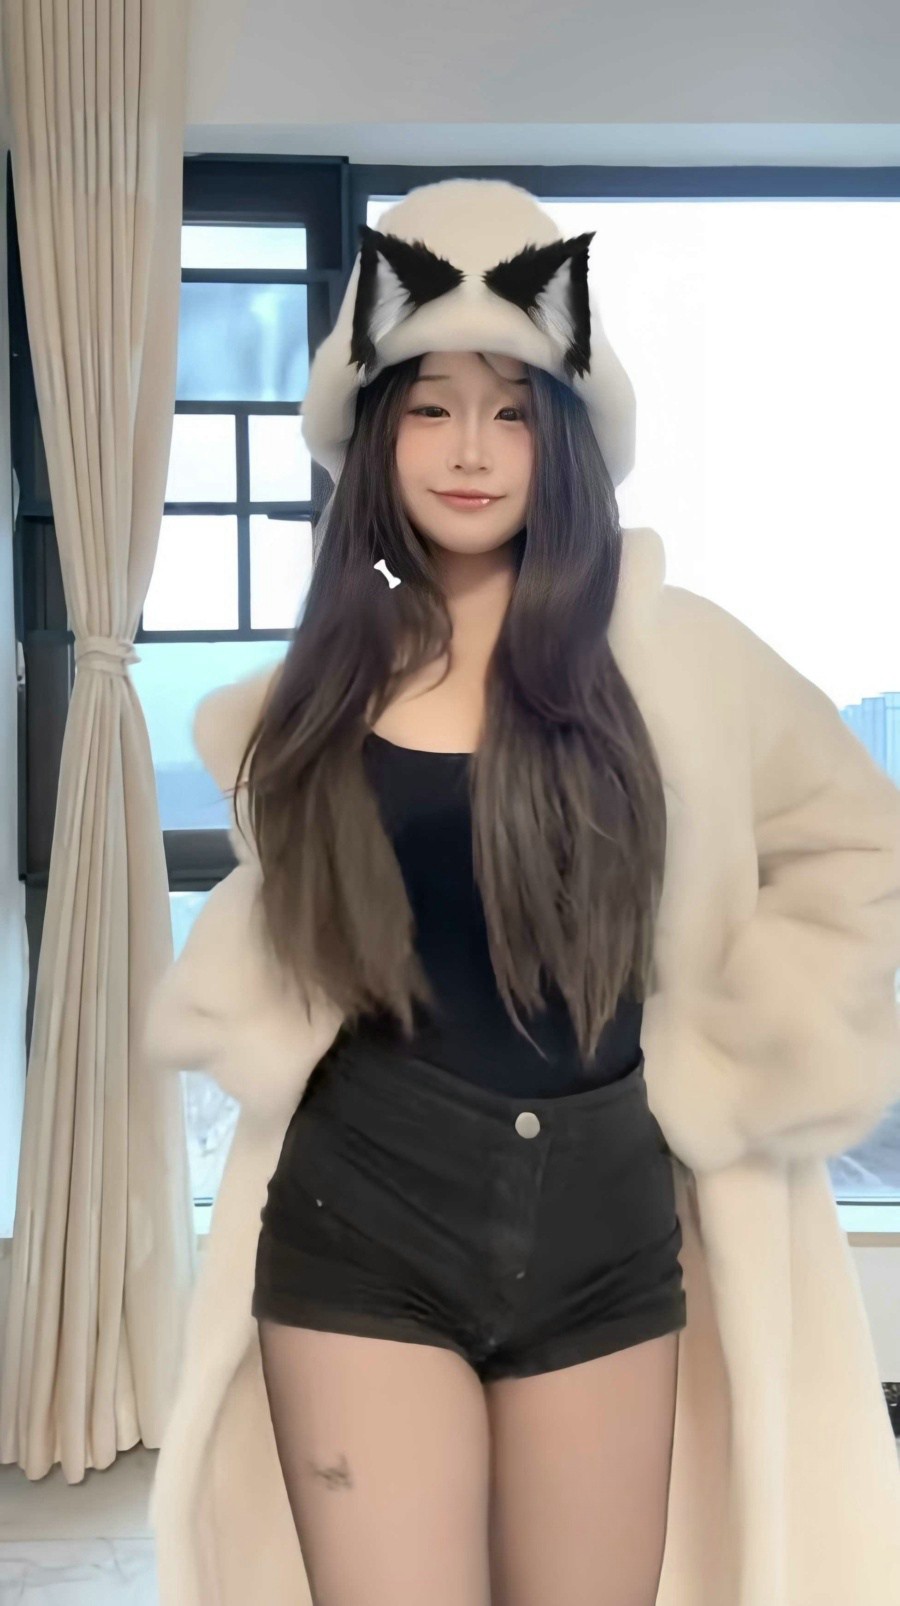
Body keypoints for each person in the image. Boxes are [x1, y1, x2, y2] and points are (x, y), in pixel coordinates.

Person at [143, 178, 900, 1606]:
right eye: (431, 406)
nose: (471, 449)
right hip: (363, 1213)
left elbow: (864, 845)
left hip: (607, 1228)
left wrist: (739, 1053)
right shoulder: (319, 688)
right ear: (375, 432)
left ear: (567, 437)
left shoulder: (676, 656)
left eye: (512, 409)